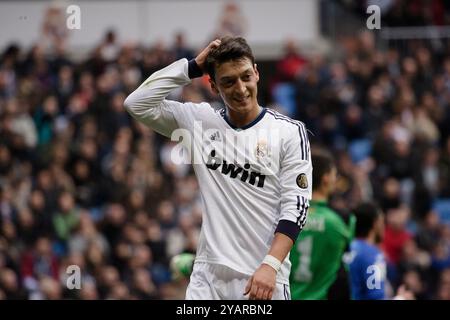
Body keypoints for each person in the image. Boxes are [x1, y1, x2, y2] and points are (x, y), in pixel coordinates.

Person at [124, 36, 312, 300]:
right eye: (228, 81)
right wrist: (191, 68)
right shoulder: (199, 122)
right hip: (207, 279)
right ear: (213, 86)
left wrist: (271, 265)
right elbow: (136, 103)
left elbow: (296, 207)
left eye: (246, 76)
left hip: (262, 277)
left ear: (257, 73)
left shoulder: (289, 132)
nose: (241, 88)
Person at [289, 150, 355, 299]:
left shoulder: (288, 213)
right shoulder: (341, 220)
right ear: (326, 178)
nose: (335, 179)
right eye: (334, 174)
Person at [346, 202, 387, 300]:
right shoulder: (372, 255)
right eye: (382, 221)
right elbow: (376, 296)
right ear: (375, 223)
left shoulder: (345, 248)